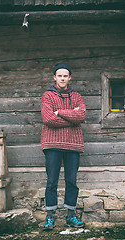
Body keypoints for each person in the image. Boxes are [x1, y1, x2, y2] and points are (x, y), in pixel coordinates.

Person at [41, 63, 86, 231]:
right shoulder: (47, 96)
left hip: (73, 145)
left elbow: (81, 115)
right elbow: (48, 119)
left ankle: (71, 215)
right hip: (52, 144)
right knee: (51, 181)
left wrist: (59, 112)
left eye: (65, 76)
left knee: (71, 181)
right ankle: (50, 216)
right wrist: (71, 116)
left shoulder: (77, 96)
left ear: (69, 78)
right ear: (54, 77)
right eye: (59, 75)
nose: (62, 78)